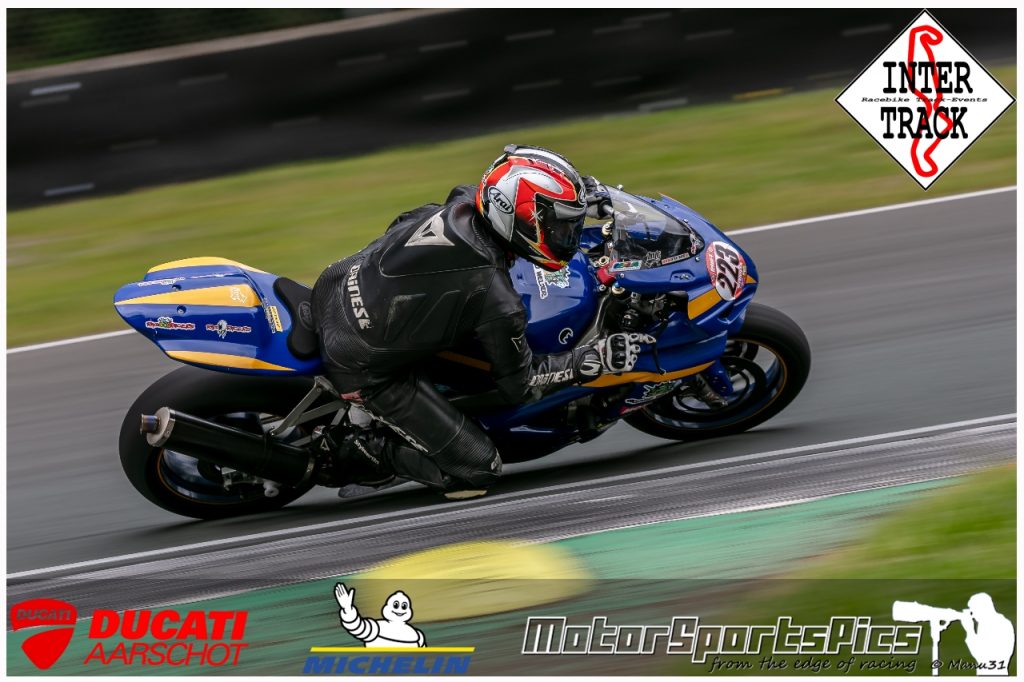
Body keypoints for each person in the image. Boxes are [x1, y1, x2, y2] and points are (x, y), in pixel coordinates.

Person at [311, 144, 653, 499]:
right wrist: (589, 360)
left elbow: (403, 222)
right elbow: (520, 386)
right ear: (523, 221)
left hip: (336, 281)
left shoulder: (466, 202)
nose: (566, 235)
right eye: (559, 225)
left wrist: (586, 197)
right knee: (477, 470)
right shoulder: (495, 297)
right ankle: (365, 451)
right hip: (362, 364)